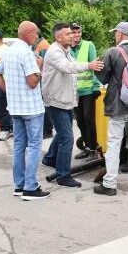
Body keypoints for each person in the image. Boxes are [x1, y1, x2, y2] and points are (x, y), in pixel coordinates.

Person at [40, 23, 103, 188]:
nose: (72, 36)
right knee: (67, 138)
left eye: (72, 33)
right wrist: (88, 65)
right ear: (58, 37)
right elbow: (68, 68)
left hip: (65, 100)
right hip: (56, 101)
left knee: (63, 133)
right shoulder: (54, 52)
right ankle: (63, 175)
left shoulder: (65, 51)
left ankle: (49, 158)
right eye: (68, 34)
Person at [0, 21, 48, 201]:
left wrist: (8, 90)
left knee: (18, 146)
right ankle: (30, 187)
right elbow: (32, 82)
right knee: (34, 146)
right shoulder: (26, 53)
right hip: (31, 108)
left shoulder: (9, 51)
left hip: (15, 108)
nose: (37, 36)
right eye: (36, 33)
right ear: (28, 33)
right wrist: (39, 68)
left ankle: (19, 184)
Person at [94, 22, 128, 196]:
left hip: (117, 105)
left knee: (114, 144)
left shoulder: (112, 52)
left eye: (116, 33)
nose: (115, 35)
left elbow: (103, 78)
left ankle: (110, 184)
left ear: (120, 34)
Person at [70, 23, 101, 159]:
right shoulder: (66, 49)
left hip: (88, 89)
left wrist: (95, 87)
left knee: (89, 120)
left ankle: (93, 149)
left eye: (78, 32)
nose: (76, 35)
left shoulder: (88, 45)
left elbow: (95, 66)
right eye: (74, 32)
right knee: (80, 121)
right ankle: (87, 147)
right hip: (74, 91)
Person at [32, 33, 54, 139]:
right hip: (41, 79)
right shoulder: (38, 45)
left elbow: (45, 65)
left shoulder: (43, 45)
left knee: (45, 106)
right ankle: (45, 129)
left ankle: (47, 130)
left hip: (44, 80)